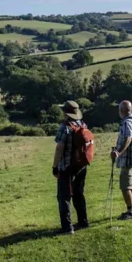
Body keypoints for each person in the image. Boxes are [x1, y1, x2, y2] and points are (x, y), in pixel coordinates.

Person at [52, 100, 89, 234]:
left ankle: (67, 228)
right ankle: (83, 221)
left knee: (64, 196)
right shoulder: (83, 124)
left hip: (67, 167)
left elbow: (59, 148)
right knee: (79, 194)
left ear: (65, 113)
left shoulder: (65, 127)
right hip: (81, 166)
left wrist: (55, 166)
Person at [110, 100, 132, 220]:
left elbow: (128, 138)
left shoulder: (127, 122)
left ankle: (130, 211)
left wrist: (118, 152)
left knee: (125, 186)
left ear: (122, 110)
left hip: (128, 160)